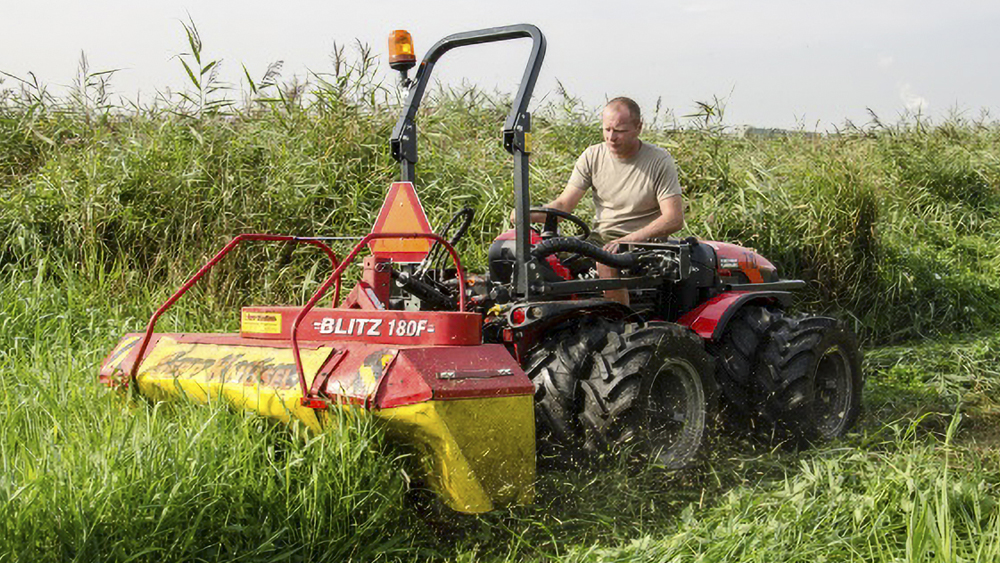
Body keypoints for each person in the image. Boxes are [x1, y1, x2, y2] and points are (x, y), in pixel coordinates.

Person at [513, 97, 685, 305]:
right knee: (539, 254)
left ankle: (621, 324)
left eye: (620, 131)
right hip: (599, 240)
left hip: (643, 244)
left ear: (639, 127)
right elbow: (563, 206)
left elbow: (673, 218)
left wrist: (627, 240)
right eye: (607, 129)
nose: (611, 137)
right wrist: (525, 213)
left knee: (605, 259)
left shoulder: (658, 161)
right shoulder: (592, 156)